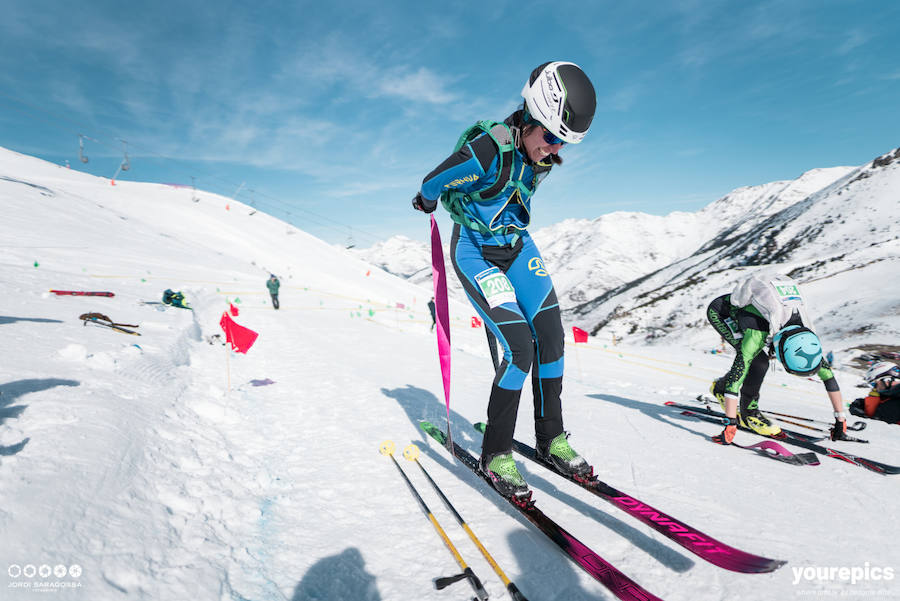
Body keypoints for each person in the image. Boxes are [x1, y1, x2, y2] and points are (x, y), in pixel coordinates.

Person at [411, 61, 596, 498]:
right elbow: (433, 180)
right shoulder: (486, 151)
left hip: (517, 246)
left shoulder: (537, 149)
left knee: (551, 337)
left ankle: (552, 439)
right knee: (520, 349)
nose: (552, 150)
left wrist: (547, 146)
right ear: (531, 117)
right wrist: (426, 200)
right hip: (476, 252)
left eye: (562, 144)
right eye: (550, 138)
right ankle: (496, 453)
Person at [706, 272, 850, 444]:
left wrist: (840, 420)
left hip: (764, 306)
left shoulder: (806, 338)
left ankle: (720, 389)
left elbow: (828, 377)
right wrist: (730, 423)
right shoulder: (756, 334)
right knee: (758, 362)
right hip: (724, 312)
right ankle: (749, 414)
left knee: (758, 360)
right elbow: (738, 376)